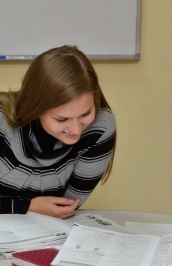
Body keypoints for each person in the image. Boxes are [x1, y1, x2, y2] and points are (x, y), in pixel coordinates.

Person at [0, 45, 116, 218]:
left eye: (86, 113)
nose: (76, 130)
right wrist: (27, 206)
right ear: (36, 107)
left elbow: (67, 205)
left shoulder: (100, 127)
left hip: (42, 234)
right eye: (61, 119)